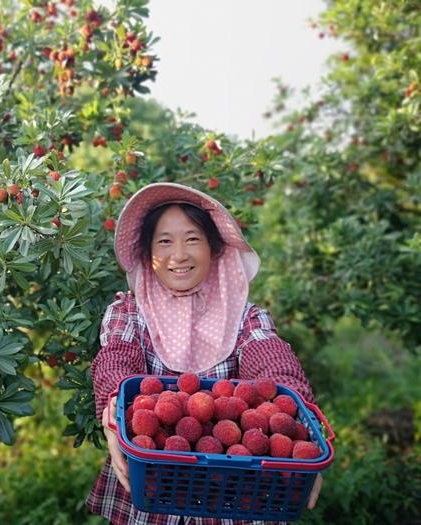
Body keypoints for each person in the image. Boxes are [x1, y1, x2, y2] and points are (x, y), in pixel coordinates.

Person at [85, 182, 322, 525]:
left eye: (192, 239)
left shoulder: (243, 315)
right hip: (151, 484)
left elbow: (273, 363)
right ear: (146, 254)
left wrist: (303, 430)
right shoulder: (130, 312)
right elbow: (117, 361)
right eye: (164, 241)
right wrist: (114, 413)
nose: (179, 254)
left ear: (213, 247)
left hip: (233, 490)